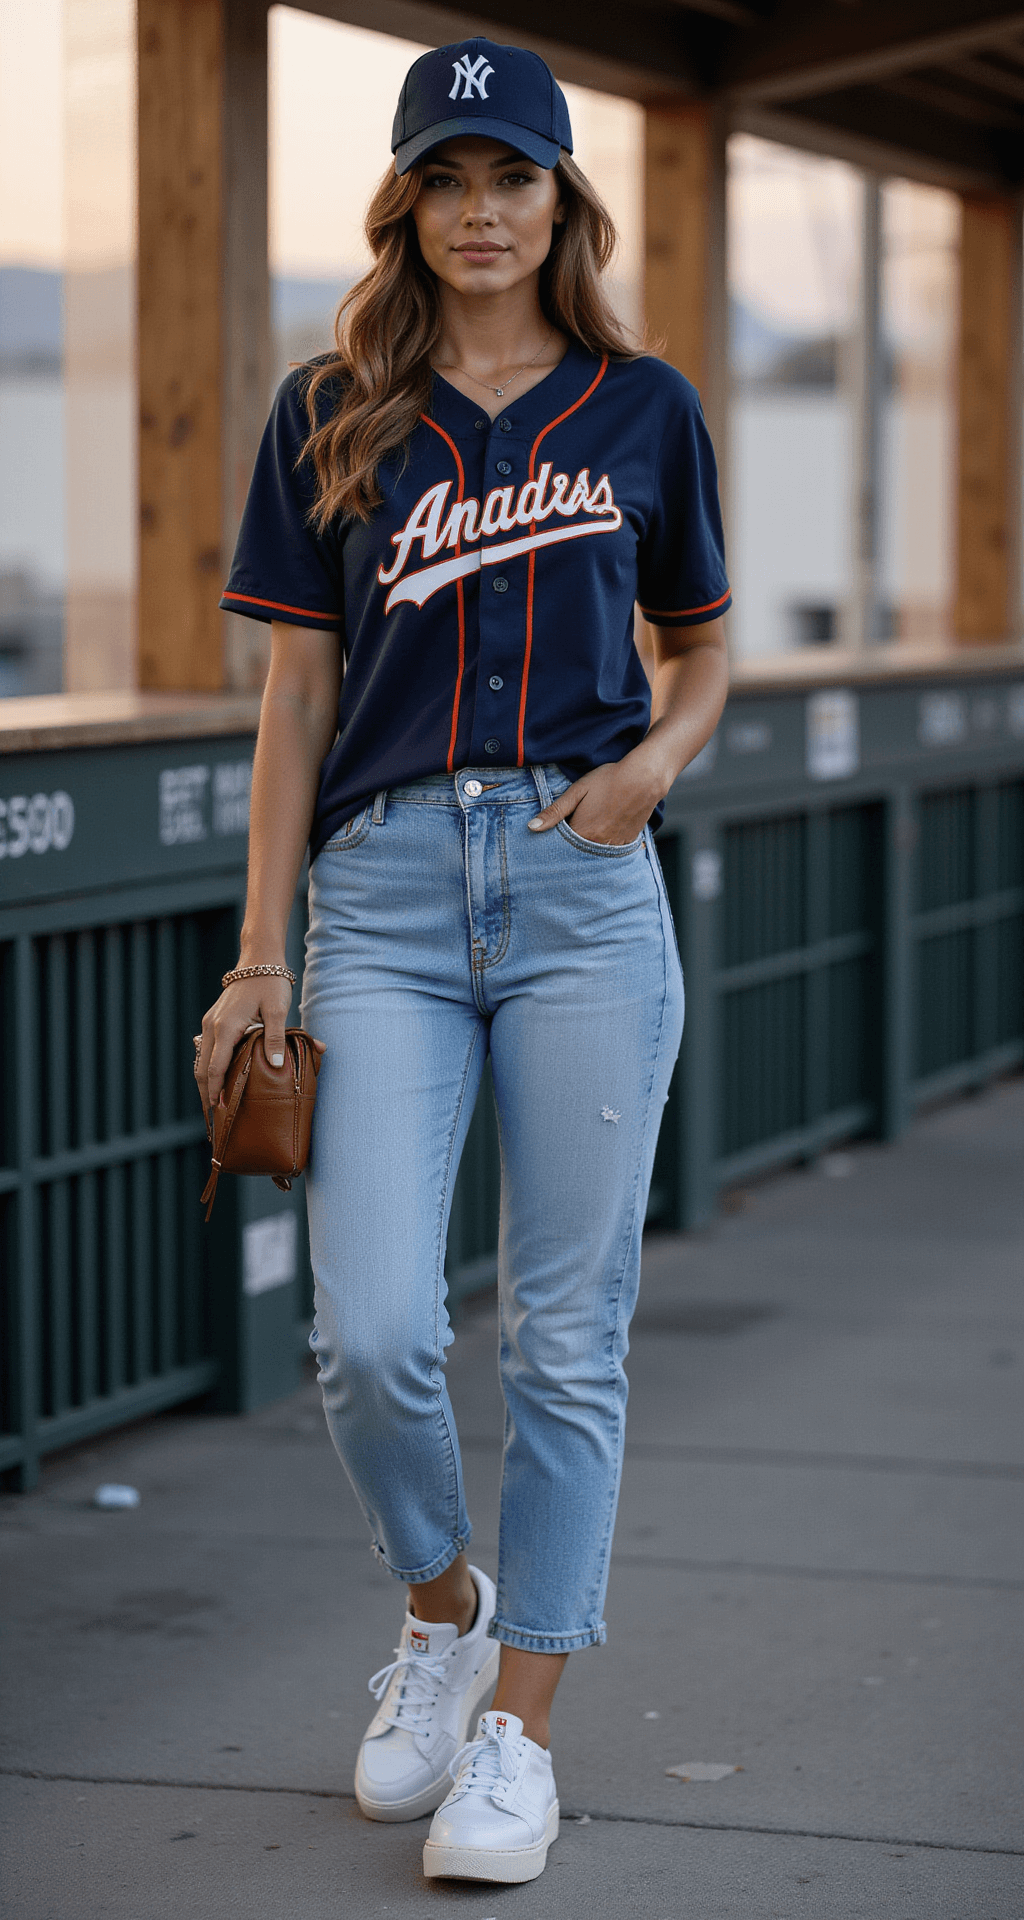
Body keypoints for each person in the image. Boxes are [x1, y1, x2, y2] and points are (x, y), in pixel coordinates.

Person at [196, 36, 730, 1887]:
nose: (483, 212)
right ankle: (441, 1603)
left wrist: (651, 766)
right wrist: (264, 951)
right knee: (373, 1329)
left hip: (584, 892)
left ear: (561, 204)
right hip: (392, 898)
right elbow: (291, 700)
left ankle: (520, 1729)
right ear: (405, 204)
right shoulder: (331, 405)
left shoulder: (642, 408)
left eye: (516, 180)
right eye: (450, 177)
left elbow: (707, 649)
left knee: (571, 1350)